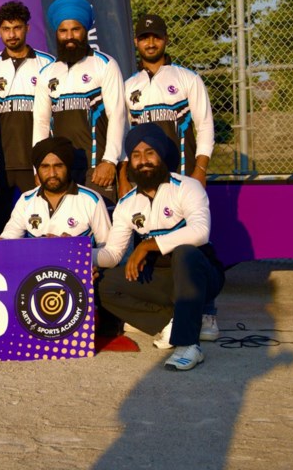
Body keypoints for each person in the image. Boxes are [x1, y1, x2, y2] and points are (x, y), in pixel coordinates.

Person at [95, 123, 224, 371]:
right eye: (135, 155)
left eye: (150, 152)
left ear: (162, 155)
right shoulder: (127, 204)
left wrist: (147, 246)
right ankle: (170, 322)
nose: (143, 160)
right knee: (103, 283)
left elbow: (200, 232)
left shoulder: (187, 187)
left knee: (186, 253)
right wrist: (71, 253)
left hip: (199, 277)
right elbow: (112, 255)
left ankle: (188, 345)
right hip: (160, 280)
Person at [32, 0, 126, 203]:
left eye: (75, 29)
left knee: (99, 231)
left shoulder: (105, 64)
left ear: (85, 31)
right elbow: (41, 123)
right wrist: (38, 166)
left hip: (97, 168)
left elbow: (117, 116)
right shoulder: (47, 73)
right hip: (58, 170)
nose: (69, 36)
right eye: (63, 31)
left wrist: (109, 161)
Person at [0, 0, 56, 234]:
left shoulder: (47, 63)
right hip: (1, 163)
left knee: (39, 223)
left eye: (17, 28)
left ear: (27, 29)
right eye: (6, 29)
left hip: (36, 161)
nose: (12, 35)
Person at [121, 13, 214, 195]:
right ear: (135, 42)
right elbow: (123, 134)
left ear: (166, 39)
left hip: (182, 172)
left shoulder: (188, 78)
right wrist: (123, 178)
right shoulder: (128, 86)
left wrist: (200, 170)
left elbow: (205, 126)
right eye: (144, 38)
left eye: (156, 37)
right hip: (142, 176)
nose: (150, 43)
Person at [0, 137, 111, 262]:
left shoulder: (90, 200)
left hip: (76, 275)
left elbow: (109, 251)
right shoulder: (26, 200)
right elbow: (7, 242)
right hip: (35, 277)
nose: (52, 173)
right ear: (37, 170)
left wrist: (78, 254)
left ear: (68, 167)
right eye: (45, 167)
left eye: (58, 166)